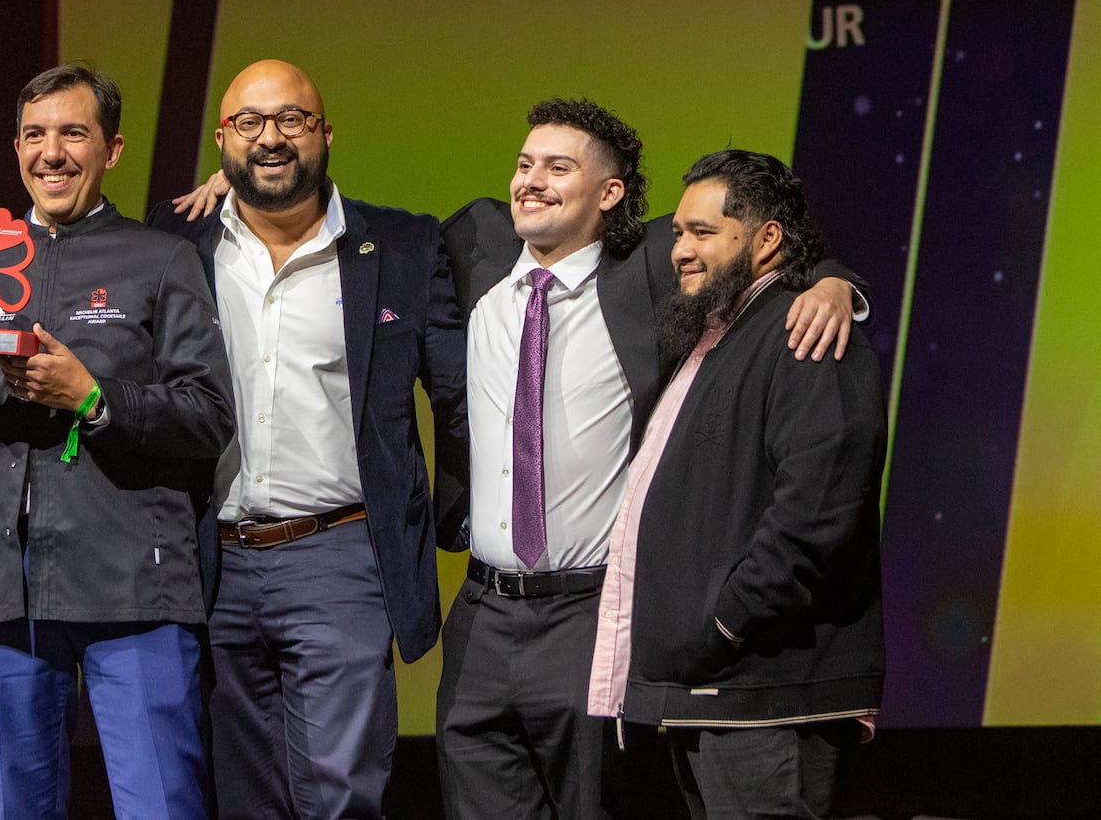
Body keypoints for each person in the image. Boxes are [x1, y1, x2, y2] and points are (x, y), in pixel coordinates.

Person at [437, 100, 865, 819]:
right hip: (481, 613)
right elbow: (358, 236)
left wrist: (836, 285)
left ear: (609, 194)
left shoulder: (650, 266)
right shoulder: (471, 244)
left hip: (589, 612)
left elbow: (760, 240)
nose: (531, 181)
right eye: (524, 163)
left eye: (559, 167)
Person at [0, 65, 236, 820]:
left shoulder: (161, 261)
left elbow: (208, 415)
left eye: (73, 133)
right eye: (36, 135)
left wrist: (94, 400)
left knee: (162, 810)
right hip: (4, 591)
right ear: (14, 149)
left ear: (111, 149)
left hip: (134, 588)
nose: (53, 153)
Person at [150, 59, 468, 819]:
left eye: (291, 120)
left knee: (342, 793)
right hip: (213, 560)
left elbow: (460, 400)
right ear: (223, 139)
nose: (272, 138)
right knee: (245, 797)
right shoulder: (177, 246)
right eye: (251, 123)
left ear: (325, 133)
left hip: (340, 556)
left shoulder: (400, 246)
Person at [588, 149, 886, 819]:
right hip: (718, 692)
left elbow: (817, 508)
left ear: (766, 239)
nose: (680, 251)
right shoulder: (719, 331)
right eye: (678, 232)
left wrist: (724, 623)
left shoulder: (804, 331)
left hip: (765, 695)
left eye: (702, 233)